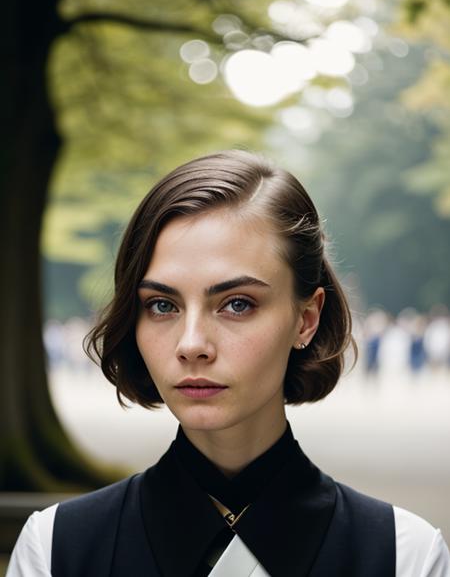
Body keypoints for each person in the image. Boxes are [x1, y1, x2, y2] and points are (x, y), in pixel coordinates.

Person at [7, 150, 450, 576]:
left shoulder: (403, 556)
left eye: (237, 304)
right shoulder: (56, 548)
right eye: (162, 305)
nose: (192, 343)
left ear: (306, 319)